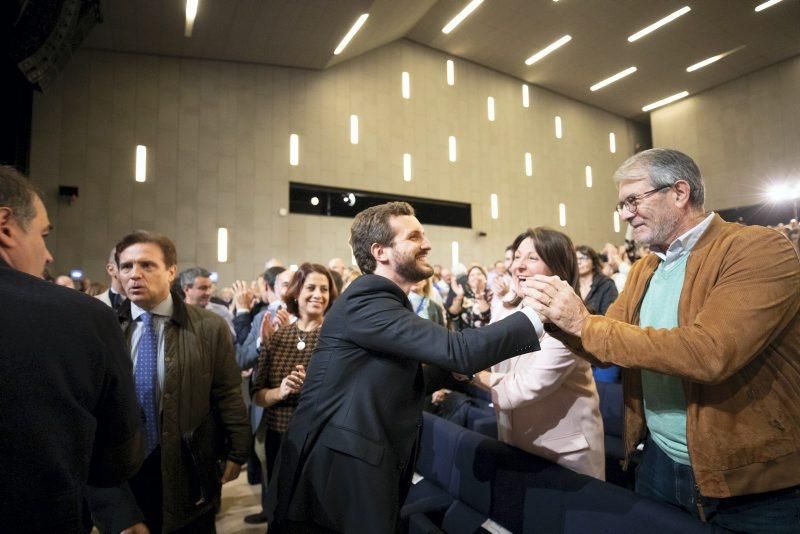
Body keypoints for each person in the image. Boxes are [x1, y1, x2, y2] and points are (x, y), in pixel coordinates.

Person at [526, 148, 800, 533]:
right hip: (659, 461)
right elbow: (606, 349)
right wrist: (558, 321)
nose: (624, 214)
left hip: (749, 478)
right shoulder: (646, 268)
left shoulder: (756, 248)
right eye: (621, 205)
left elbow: (711, 352)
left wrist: (583, 323)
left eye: (633, 200)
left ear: (680, 192)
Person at [265, 201, 545, 533]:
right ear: (380, 251)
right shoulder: (367, 298)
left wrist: (445, 370)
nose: (426, 244)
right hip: (333, 481)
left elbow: (392, 381)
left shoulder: (386, 301)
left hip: (352, 473)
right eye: (414, 236)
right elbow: (460, 350)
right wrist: (539, 314)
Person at [0, 165, 143, 532]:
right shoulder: (84, 318)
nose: (48, 255)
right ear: (5, 226)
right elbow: (114, 462)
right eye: (43, 235)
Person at [88, 231, 250, 533]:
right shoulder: (104, 327)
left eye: (147, 265)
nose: (135, 275)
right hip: (125, 468)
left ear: (171, 271)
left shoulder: (208, 327)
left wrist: (238, 449)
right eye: (126, 267)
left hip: (188, 463)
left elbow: (228, 392)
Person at [473, 228, 605, 480]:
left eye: (532, 259)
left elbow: (524, 388)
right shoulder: (507, 308)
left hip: (563, 451)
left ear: (557, 267)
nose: (518, 266)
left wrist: (472, 375)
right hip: (515, 439)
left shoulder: (571, 323)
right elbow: (485, 351)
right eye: (517, 257)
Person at [244, 263, 338, 525]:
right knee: (279, 510)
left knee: (314, 514)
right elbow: (257, 395)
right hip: (280, 437)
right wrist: (281, 390)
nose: (318, 294)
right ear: (296, 292)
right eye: (311, 288)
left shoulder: (337, 340)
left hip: (321, 437)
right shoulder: (277, 337)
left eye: (324, 289)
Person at [179, 266, 236, 337]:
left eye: (210, 287)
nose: (208, 292)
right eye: (203, 288)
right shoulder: (175, 312)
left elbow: (232, 341)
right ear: (186, 289)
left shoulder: (221, 311)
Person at [445, 264, 492, 330]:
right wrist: (459, 296)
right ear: (468, 280)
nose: (475, 277)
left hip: (487, 336)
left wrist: (479, 297)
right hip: (466, 337)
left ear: (485, 278)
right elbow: (453, 314)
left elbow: (488, 317)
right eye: (472, 275)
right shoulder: (465, 294)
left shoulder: (491, 294)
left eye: (479, 274)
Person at [575, 245, 618, 315]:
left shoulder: (607, 284)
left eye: (583, 258)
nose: (578, 262)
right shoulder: (570, 284)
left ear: (593, 263)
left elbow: (610, 315)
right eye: (576, 259)